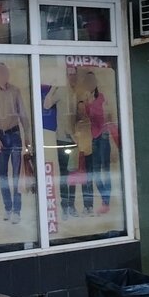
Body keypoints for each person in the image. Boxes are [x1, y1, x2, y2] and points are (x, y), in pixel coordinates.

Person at [0, 62, 31, 224]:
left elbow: (23, 115)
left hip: (14, 136)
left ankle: (17, 211)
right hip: (1, 137)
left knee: (16, 175)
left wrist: (27, 136)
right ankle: (8, 208)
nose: (1, 75)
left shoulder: (15, 91)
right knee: (1, 174)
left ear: (7, 74)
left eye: (4, 72)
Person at [43, 67, 79, 218]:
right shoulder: (61, 91)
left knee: (73, 173)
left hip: (76, 139)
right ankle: (65, 207)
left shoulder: (77, 93)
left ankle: (72, 205)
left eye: (73, 74)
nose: (71, 77)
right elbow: (46, 105)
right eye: (69, 74)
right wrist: (53, 88)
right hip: (62, 138)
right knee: (64, 174)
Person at [83, 71, 111, 215]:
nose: (90, 84)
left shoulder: (102, 97)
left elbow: (105, 117)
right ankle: (105, 200)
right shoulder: (87, 100)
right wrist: (87, 104)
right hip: (94, 137)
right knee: (96, 172)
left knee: (105, 170)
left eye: (92, 81)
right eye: (88, 81)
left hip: (103, 136)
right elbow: (87, 118)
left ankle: (106, 202)